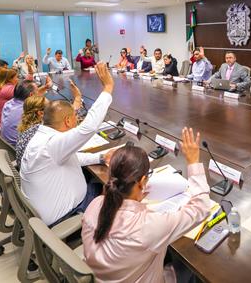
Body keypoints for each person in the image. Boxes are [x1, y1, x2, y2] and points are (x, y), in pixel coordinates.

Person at [82, 127, 211, 282]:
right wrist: (193, 162)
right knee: (189, 265)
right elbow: (201, 207)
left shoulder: (95, 204)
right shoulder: (147, 226)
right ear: (142, 181)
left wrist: (136, 198)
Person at [21, 62, 114, 226]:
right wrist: (107, 87)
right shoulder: (52, 145)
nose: (77, 121)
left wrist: (100, 157)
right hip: (67, 216)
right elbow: (89, 127)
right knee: (115, 190)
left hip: (44, 212)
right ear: (68, 121)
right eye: (75, 118)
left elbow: (72, 158)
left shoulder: (41, 136)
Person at [15, 80, 85, 167]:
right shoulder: (43, 131)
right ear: (41, 113)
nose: (52, 110)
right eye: (50, 109)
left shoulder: (26, 125)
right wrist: (77, 97)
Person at [0, 77, 51, 145]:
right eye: (37, 90)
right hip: (18, 147)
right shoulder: (27, 111)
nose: (38, 92)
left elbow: (33, 96)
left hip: (5, 144)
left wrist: (45, 87)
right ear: (31, 95)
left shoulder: (8, 103)